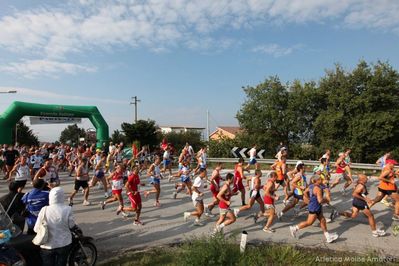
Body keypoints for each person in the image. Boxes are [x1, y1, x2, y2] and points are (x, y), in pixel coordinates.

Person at [289, 175, 338, 243]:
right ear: (316, 181)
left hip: (316, 206)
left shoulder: (311, 186)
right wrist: (327, 200)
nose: (322, 180)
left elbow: (305, 192)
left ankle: (328, 237)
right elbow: (320, 200)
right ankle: (294, 228)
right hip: (314, 207)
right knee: (309, 222)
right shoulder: (318, 189)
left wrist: (309, 199)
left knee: (322, 220)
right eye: (320, 179)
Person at [34, 187, 76, 266]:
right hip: (64, 243)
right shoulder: (68, 209)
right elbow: (72, 225)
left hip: (47, 245)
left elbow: (36, 229)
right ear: (62, 196)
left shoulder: (44, 210)